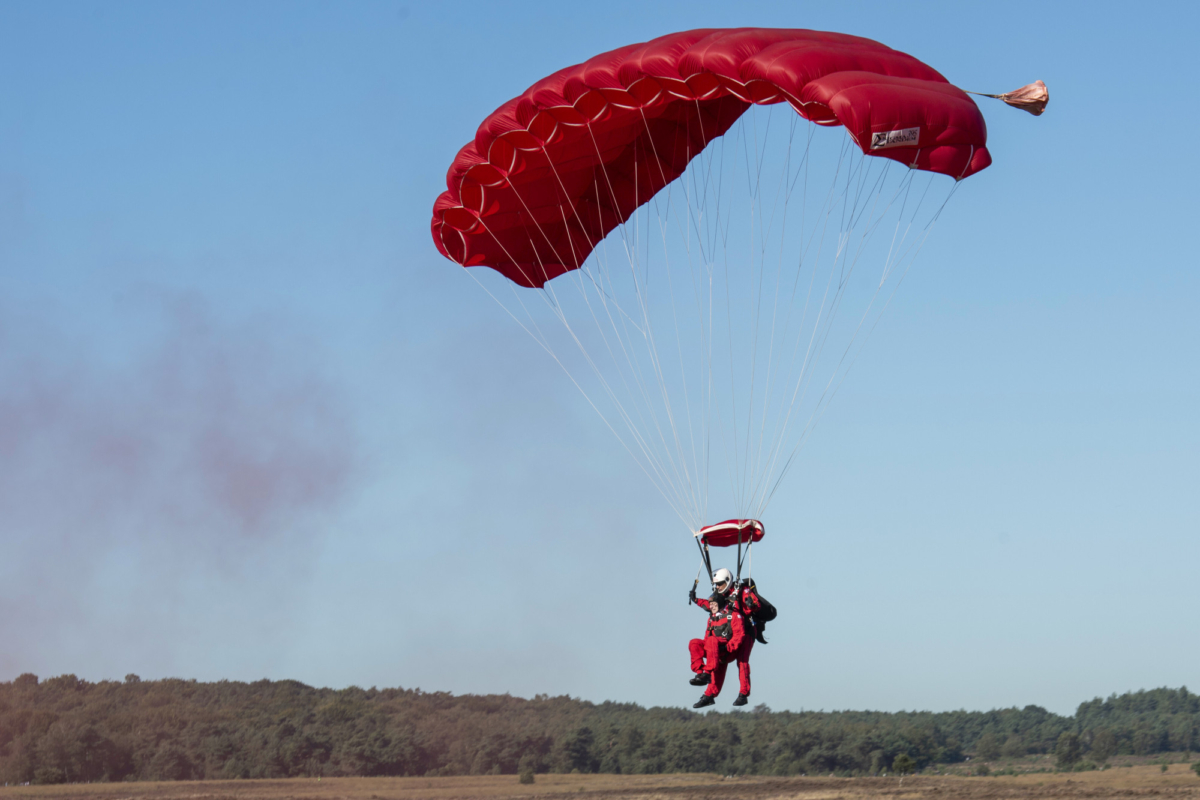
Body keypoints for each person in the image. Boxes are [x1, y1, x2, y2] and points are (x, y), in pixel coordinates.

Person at [687, 568, 746, 708]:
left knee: (712, 640)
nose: (711, 607)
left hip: (727, 650)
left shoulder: (733, 615)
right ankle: (700, 673)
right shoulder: (713, 618)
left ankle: (707, 673)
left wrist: (727, 647)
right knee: (694, 642)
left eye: (713, 605)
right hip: (714, 650)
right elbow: (705, 604)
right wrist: (695, 599)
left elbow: (739, 635)